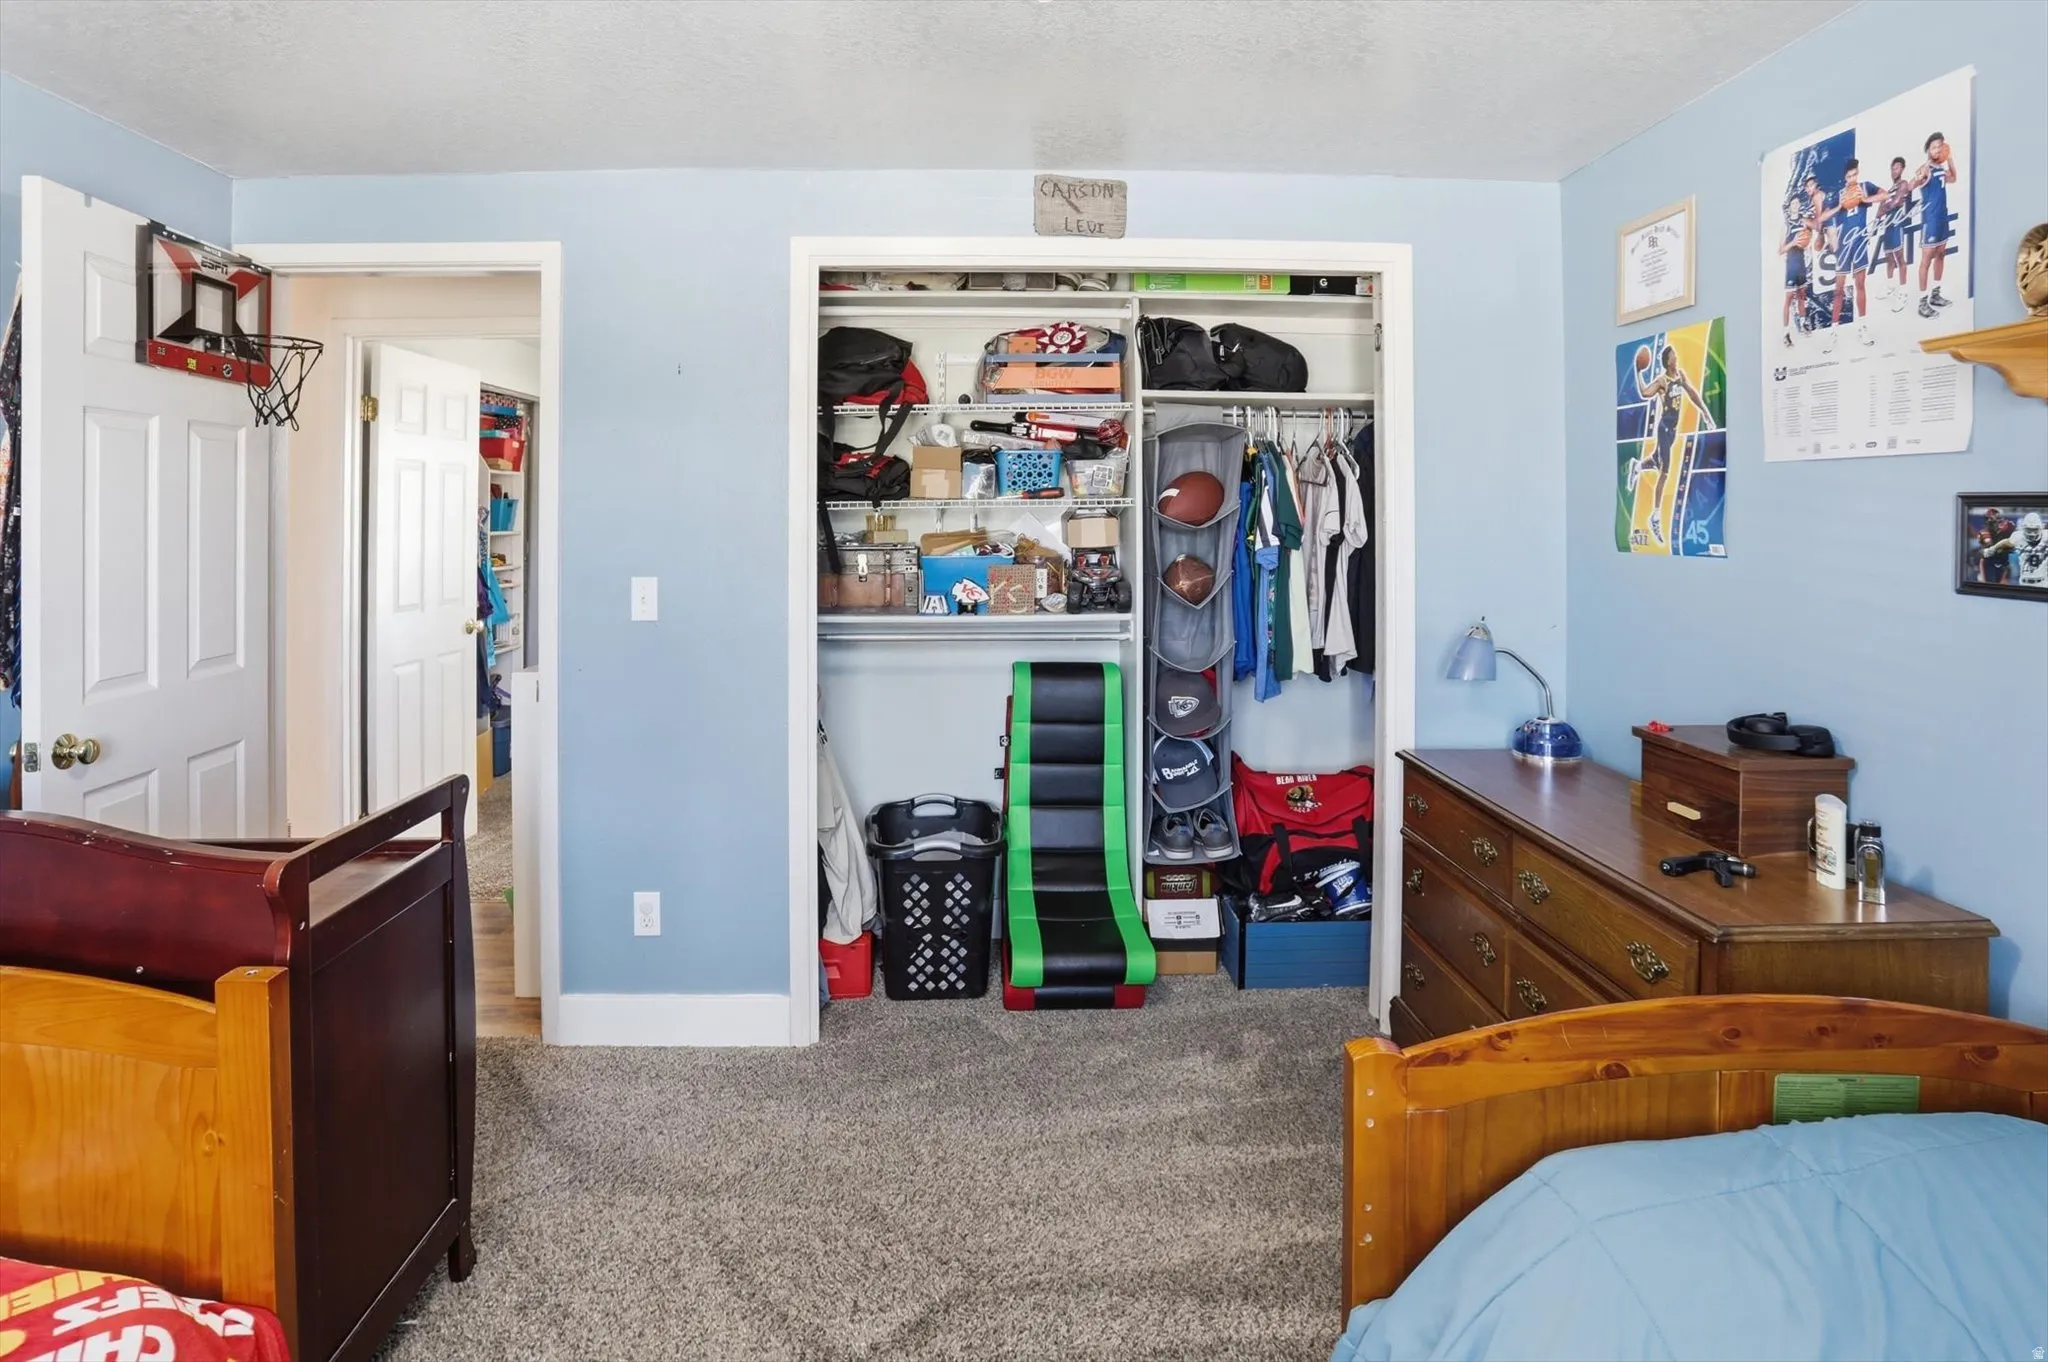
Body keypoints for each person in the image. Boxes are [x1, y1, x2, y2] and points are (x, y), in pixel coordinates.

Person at [1628, 344, 1715, 547]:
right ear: (1668, 360)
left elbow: (1692, 394)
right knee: (1665, 471)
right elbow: (1644, 393)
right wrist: (1638, 371)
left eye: (1676, 353)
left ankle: (1637, 466)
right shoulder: (1662, 380)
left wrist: (1705, 413)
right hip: (1664, 429)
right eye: (1673, 354)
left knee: (1657, 461)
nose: (1676, 356)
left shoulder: (1680, 375)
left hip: (1673, 430)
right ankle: (1655, 516)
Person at [1825, 159, 1882, 346]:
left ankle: (1862, 328)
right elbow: (1823, 217)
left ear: (1858, 173)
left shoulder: (1865, 187)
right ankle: (1833, 333)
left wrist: (1866, 200)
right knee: (1839, 290)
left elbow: (1886, 194)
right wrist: (1838, 207)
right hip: (1843, 246)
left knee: (1860, 285)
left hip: (1859, 243)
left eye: (1854, 174)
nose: (1852, 178)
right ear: (1844, 177)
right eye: (1849, 176)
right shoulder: (1839, 195)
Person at [1911, 131, 1961, 318]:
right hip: (1930, 220)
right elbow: (1911, 185)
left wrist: (1950, 158)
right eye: (1934, 147)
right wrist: (1918, 177)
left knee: (1941, 255)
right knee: (1927, 259)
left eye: (1940, 146)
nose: (1938, 149)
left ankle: (1935, 295)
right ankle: (1922, 302)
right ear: (1928, 150)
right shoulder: (1926, 169)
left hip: (1942, 217)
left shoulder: (1940, 168)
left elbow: (1954, 178)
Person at [1778, 190, 1819, 349]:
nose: (1795, 206)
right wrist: (1793, 242)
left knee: (1802, 295)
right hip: (1791, 265)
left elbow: (1814, 228)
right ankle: (1785, 333)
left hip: (1802, 263)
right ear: (1789, 207)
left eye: (1797, 203)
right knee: (1788, 299)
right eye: (1793, 204)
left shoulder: (1803, 222)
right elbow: (1780, 250)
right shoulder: (1786, 225)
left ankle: (1803, 324)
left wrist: (1808, 240)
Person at [1875, 156, 1915, 310]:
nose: (1894, 170)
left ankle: (1903, 293)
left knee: (1900, 259)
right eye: (1892, 168)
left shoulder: (1903, 184)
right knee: (1888, 258)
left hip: (1897, 224)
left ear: (1902, 169)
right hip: (1887, 226)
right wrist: (1881, 211)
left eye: (1897, 167)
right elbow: (1880, 210)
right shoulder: (1889, 189)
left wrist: (1885, 207)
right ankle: (1890, 286)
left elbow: (1895, 203)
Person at [1981, 511, 2043, 588]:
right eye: (2029, 530)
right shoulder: (2016, 537)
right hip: (2019, 577)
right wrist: (1992, 549)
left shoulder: (2045, 536)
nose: (2032, 533)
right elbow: (2004, 543)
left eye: (2034, 530)